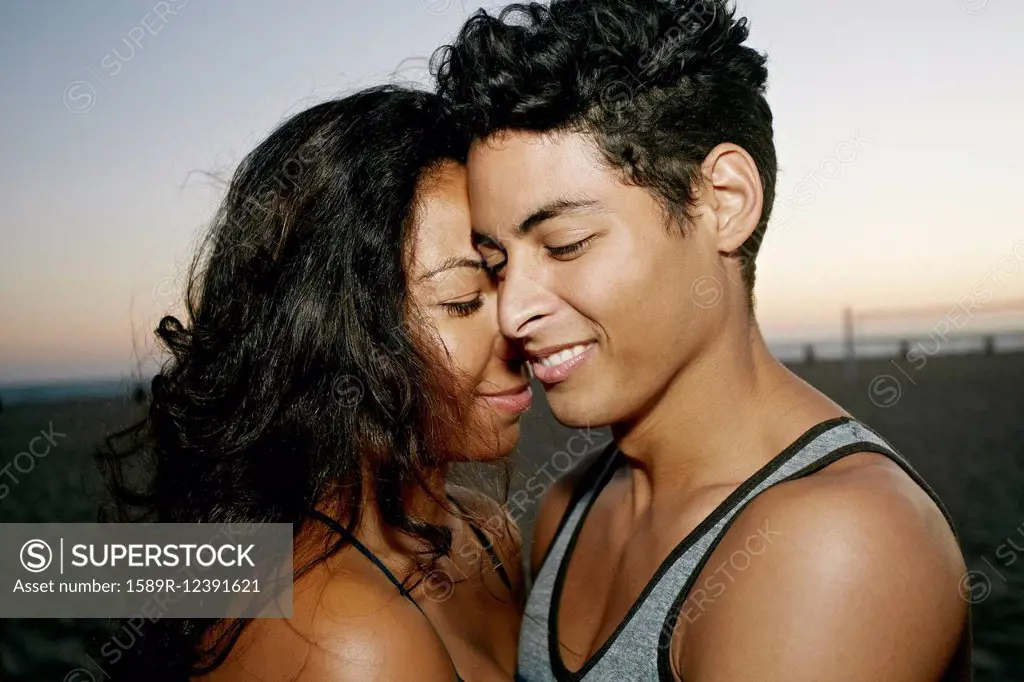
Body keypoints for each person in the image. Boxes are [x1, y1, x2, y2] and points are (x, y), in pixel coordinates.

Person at [433, 1, 973, 680]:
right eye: (496, 262)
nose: (512, 311)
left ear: (723, 201)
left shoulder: (838, 543)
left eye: (564, 245)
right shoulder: (569, 506)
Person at [98, 85, 531, 681]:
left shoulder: (491, 537)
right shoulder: (345, 637)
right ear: (336, 335)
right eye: (461, 302)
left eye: (509, 279)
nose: (519, 321)